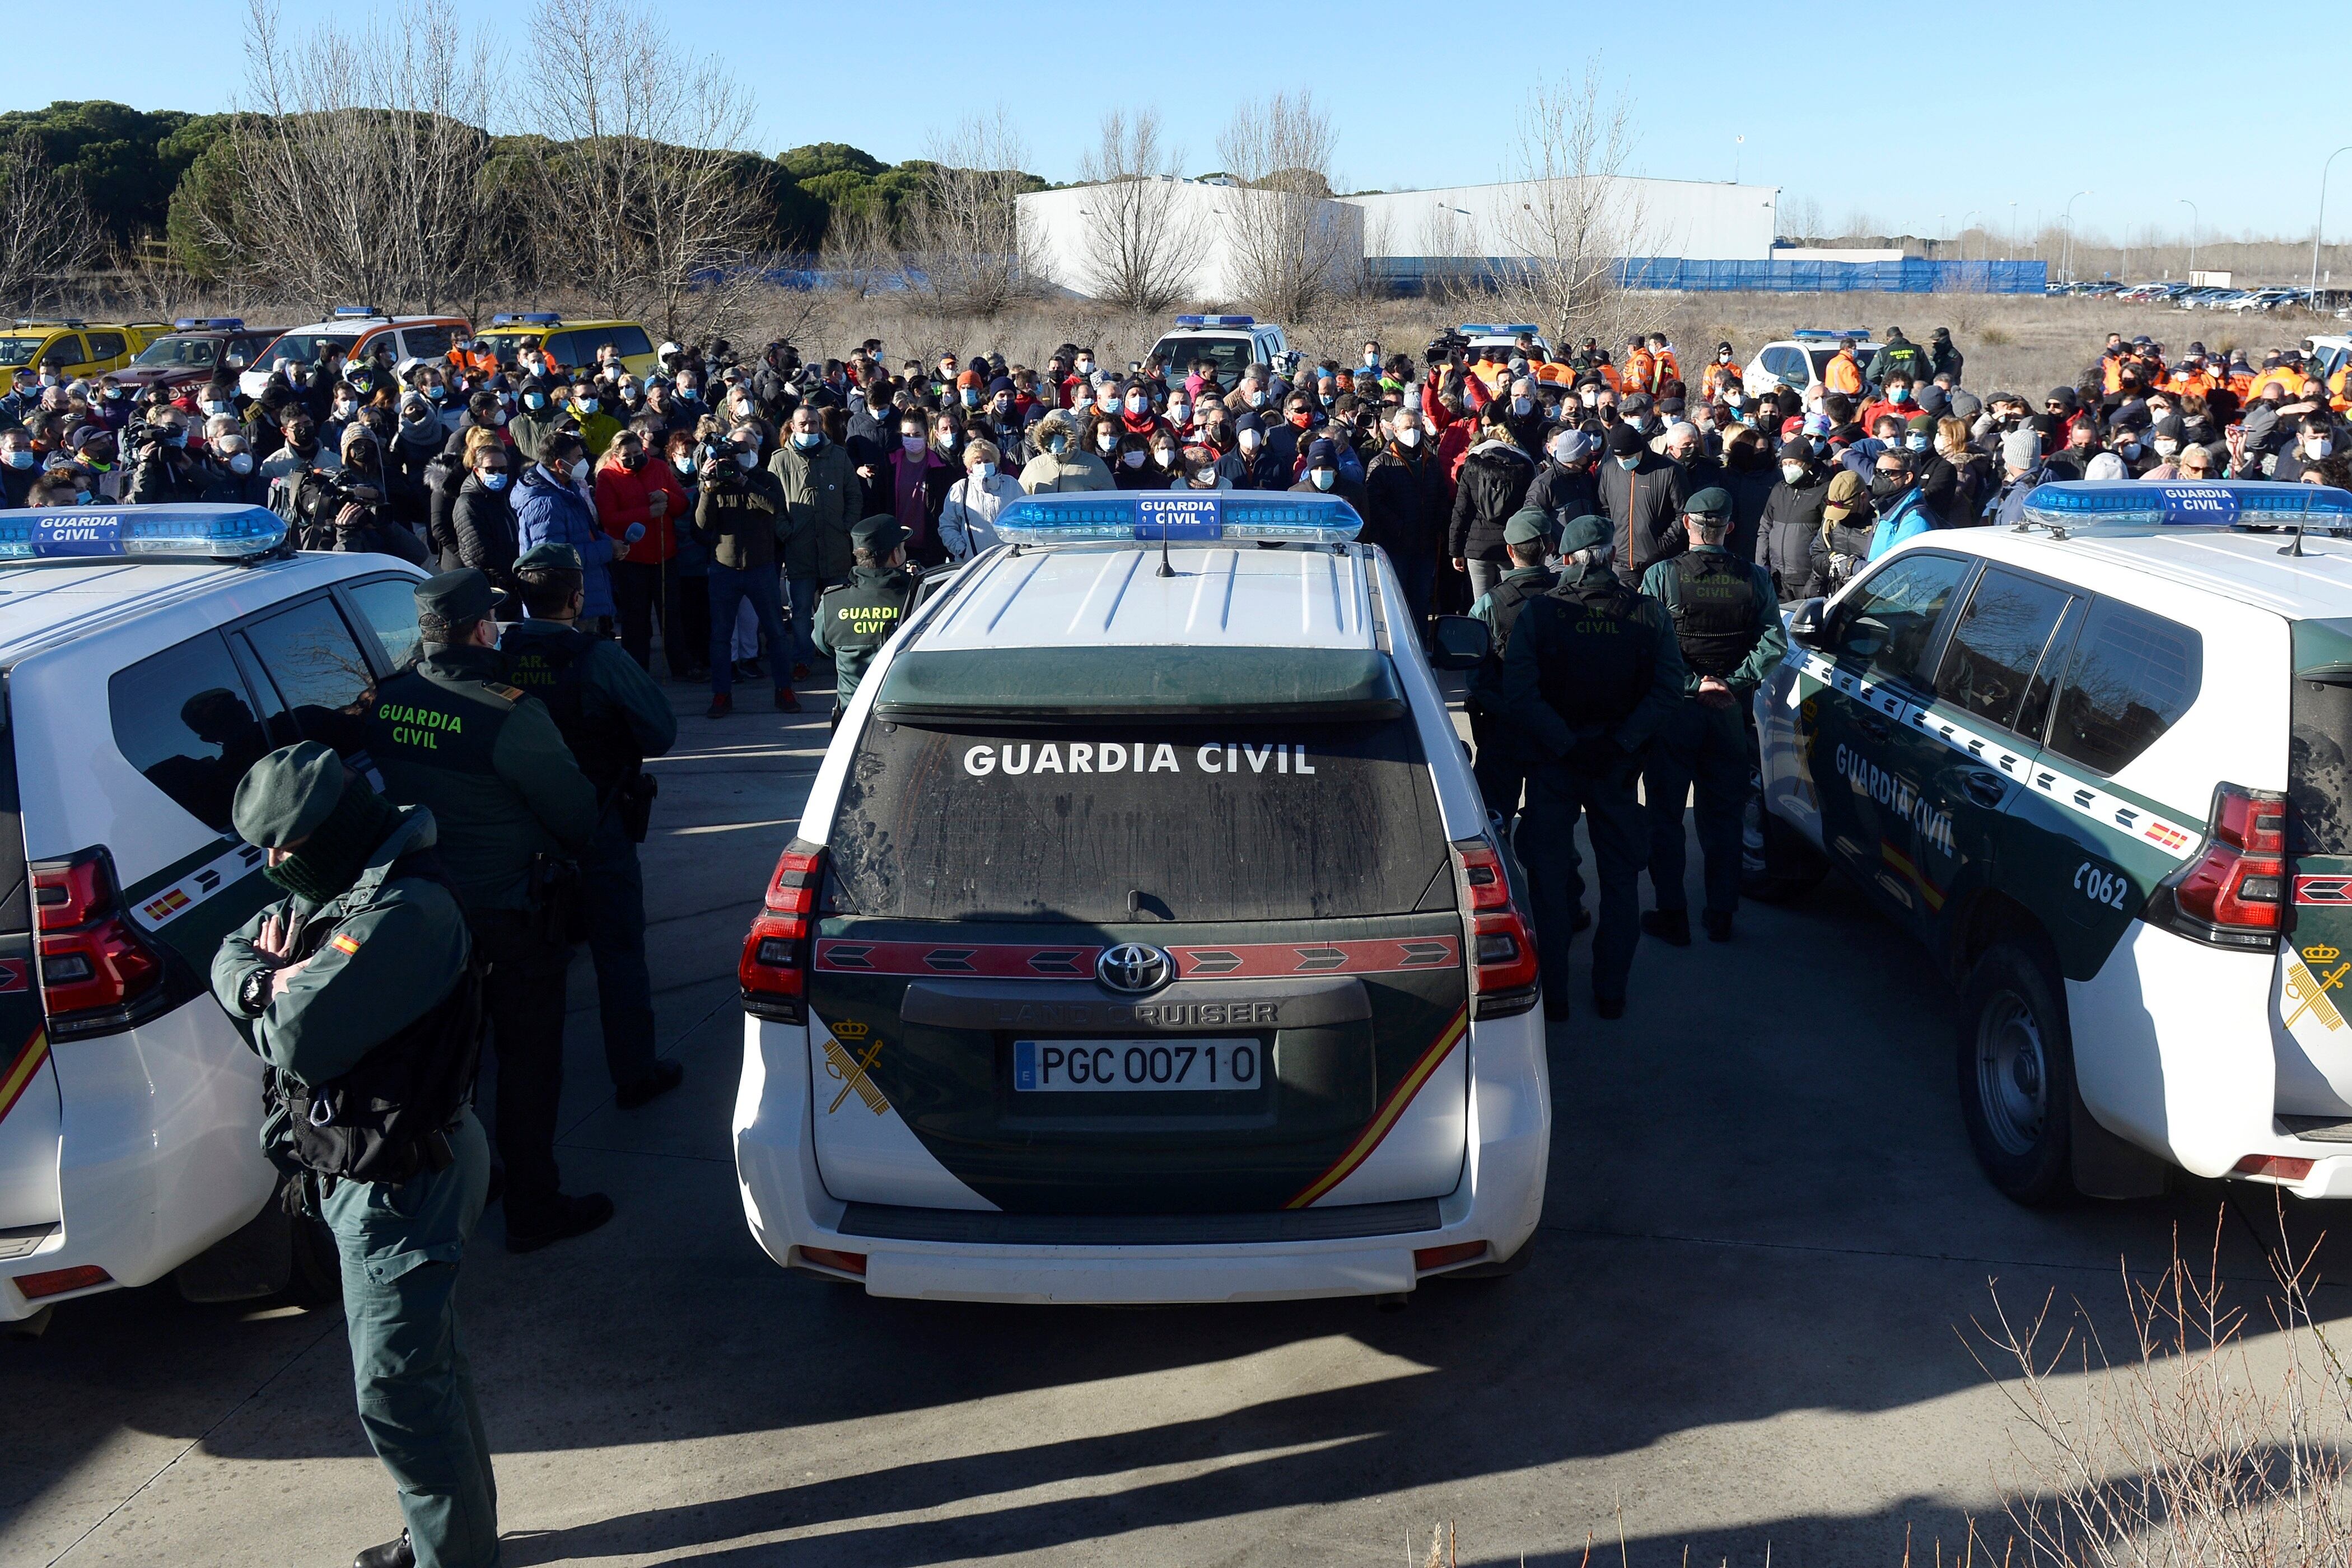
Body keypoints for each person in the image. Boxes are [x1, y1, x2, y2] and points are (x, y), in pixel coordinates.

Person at [209, 744, 499, 1568]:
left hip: (404, 1182)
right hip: (365, 1167)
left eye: (283, 847)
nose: (269, 868)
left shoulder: (405, 914)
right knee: (427, 1370)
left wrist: (269, 989)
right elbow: (231, 953)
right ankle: (453, 1534)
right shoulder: (331, 886)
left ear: (331, 832)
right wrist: (268, 979)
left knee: (400, 1392)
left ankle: (456, 1557)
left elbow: (299, 1039)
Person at [365, 568, 609, 1255]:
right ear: (480, 629)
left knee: (455, 1060)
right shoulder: (508, 711)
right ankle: (534, 1204)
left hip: (425, 911)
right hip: (510, 911)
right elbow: (576, 814)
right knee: (529, 1061)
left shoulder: (391, 699)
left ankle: (469, 1181)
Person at [501, 544, 684, 1112]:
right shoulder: (599, 658)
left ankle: (526, 1088)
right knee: (618, 948)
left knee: (526, 963)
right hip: (597, 822)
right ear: (578, 596)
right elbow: (660, 732)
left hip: (524, 829)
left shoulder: (498, 652)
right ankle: (634, 1073)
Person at [1496, 513, 1687, 1021]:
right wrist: (1620, 742)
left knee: (1550, 878)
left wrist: (1565, 744)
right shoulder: (1648, 614)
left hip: (1555, 765)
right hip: (1616, 767)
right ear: (1611, 554)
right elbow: (1669, 689)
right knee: (1621, 877)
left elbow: (1520, 693)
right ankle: (1611, 992)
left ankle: (1554, 997)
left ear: (1567, 558)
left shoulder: (1540, 613)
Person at [1637, 489, 1786, 945]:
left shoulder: (1662, 575)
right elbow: (1773, 644)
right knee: (1723, 818)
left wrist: (1691, 683)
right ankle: (1721, 913)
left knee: (1665, 816)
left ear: (1686, 524)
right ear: (1730, 528)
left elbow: (1649, 645)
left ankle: (1673, 915)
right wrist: (1731, 683)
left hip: (1675, 716)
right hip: (1728, 716)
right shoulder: (1756, 578)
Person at [1466, 510, 1560, 835]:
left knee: (1493, 819)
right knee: (1551, 826)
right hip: (1555, 729)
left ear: (1509, 551)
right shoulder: (1569, 597)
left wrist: (1509, 710)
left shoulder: (1489, 605)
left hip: (1502, 730)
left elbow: (1476, 677)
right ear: (1549, 546)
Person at [695, 424, 795, 718]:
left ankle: (785, 690)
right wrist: (706, 487)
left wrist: (743, 482)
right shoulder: (714, 481)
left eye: (750, 448)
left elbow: (774, 509)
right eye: (738, 448)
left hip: (761, 565)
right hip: (724, 567)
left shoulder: (766, 479)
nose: (743, 453)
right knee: (721, 636)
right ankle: (721, 694)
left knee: (776, 633)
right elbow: (701, 527)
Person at [594, 428, 689, 676]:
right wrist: (648, 513)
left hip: (664, 555)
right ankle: (637, 670)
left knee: (672, 615)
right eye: (627, 455)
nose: (634, 458)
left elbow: (681, 505)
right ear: (616, 455)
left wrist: (666, 497)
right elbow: (609, 518)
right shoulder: (608, 476)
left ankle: (680, 666)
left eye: (638, 453)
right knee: (636, 619)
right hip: (631, 559)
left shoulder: (658, 467)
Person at [773, 402, 857, 676]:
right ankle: (802, 658)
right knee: (800, 611)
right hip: (800, 549)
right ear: (793, 427)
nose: (809, 428)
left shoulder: (838, 456)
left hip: (835, 546)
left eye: (814, 423)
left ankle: (839, 658)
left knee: (837, 609)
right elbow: (772, 503)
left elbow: (854, 495)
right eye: (804, 424)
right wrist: (787, 531)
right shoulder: (780, 460)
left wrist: (847, 527)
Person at [815, 516, 920, 720]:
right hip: (904, 714)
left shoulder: (833, 601)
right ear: (896, 555)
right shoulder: (920, 598)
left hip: (852, 717)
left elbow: (824, 646)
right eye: (903, 548)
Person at [514, 431, 618, 635]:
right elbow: (553, 559)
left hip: (582, 598)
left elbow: (585, 531)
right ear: (560, 464)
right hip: (564, 608)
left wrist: (609, 542)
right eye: (578, 458)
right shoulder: (546, 504)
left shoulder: (567, 488)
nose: (584, 462)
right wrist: (607, 549)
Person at [1361, 404, 1448, 630]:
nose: (1413, 432)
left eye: (1417, 427)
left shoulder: (1432, 462)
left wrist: (1439, 525)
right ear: (1396, 430)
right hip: (1395, 546)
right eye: (1408, 427)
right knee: (1395, 601)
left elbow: (1441, 496)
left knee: (1420, 602)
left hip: (1425, 544)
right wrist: (1398, 528)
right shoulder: (1381, 463)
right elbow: (1374, 502)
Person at [1449, 408, 1536, 600]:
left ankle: (1482, 631)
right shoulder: (1524, 468)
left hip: (1477, 547)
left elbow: (1461, 511)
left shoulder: (1472, 467)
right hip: (1512, 547)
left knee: (1481, 604)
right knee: (1512, 601)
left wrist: (1455, 550)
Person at [1597, 419, 1688, 587]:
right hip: (1621, 564)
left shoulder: (1669, 471)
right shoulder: (1609, 470)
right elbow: (1605, 509)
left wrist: (1661, 546)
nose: (1624, 461)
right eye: (1619, 457)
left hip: (1659, 562)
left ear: (1640, 450)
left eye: (1628, 457)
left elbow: (1683, 514)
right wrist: (1613, 541)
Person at [939, 438, 1021, 562]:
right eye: (978, 462)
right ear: (970, 466)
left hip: (1009, 561)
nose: (983, 465)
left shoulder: (1011, 484)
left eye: (987, 461)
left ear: (995, 462)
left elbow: (1024, 518)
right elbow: (947, 525)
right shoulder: (960, 488)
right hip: (972, 564)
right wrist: (962, 551)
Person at [1016, 409, 1110, 493]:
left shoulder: (1095, 465)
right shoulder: (1034, 467)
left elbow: (1110, 502)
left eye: (1061, 434)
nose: (1055, 439)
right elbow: (1019, 501)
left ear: (1072, 435)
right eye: (1050, 435)